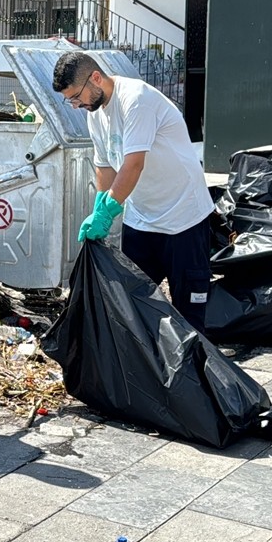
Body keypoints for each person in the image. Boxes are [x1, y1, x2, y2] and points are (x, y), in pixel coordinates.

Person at [52, 51, 214, 333]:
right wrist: (100, 207)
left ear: (96, 78)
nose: (76, 105)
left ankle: (195, 373)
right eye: (71, 101)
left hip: (183, 217)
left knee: (189, 311)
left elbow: (133, 164)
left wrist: (109, 210)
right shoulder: (96, 114)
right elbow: (105, 166)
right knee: (133, 303)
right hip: (142, 219)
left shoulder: (136, 100)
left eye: (76, 96)